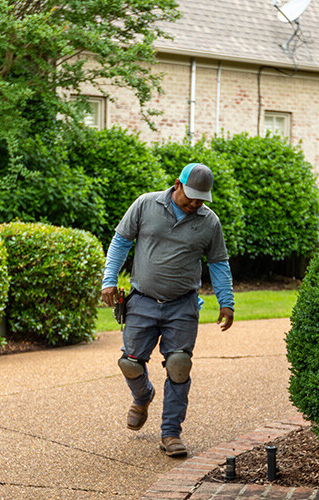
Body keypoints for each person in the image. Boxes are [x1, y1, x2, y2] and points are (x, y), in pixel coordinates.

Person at [100, 162, 235, 458]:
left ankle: (171, 432)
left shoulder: (209, 222)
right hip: (142, 301)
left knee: (178, 365)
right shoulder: (146, 205)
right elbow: (120, 242)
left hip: (182, 305)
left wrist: (227, 301)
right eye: (191, 197)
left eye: (202, 198)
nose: (195, 203)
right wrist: (109, 279)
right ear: (177, 184)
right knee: (131, 364)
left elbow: (219, 263)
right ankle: (143, 396)